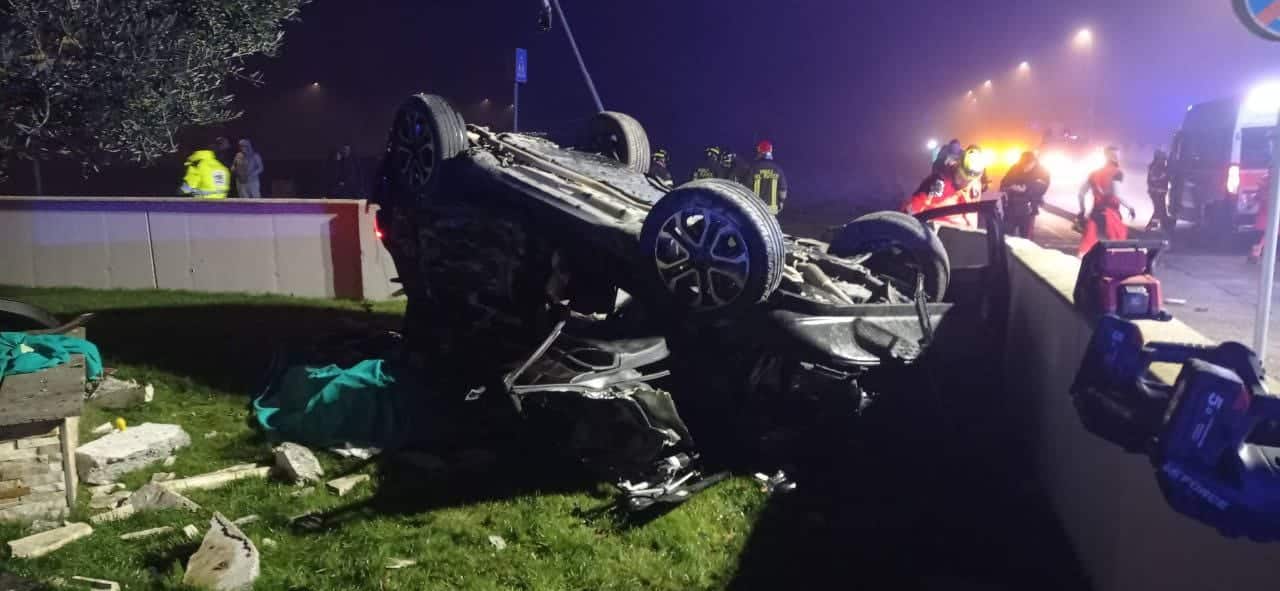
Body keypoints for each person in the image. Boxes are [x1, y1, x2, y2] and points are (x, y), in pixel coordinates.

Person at [1076, 146, 1138, 257]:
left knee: (1086, 249)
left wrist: (1082, 210)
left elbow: (1081, 194)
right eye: (1117, 155)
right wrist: (1130, 207)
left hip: (1095, 214)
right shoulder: (1117, 173)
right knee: (1118, 249)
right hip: (1111, 216)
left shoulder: (1094, 174)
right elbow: (1116, 194)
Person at [906, 144, 984, 227]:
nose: (963, 183)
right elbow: (911, 210)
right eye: (961, 177)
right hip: (933, 230)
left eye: (968, 181)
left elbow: (972, 218)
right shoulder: (938, 183)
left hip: (962, 232)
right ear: (957, 166)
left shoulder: (974, 188)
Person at [1000, 151, 1051, 239]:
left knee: (1025, 236)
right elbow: (1004, 182)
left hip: (1028, 208)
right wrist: (1011, 187)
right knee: (1006, 234)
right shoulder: (1015, 168)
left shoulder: (1042, 172)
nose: (1025, 167)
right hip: (1011, 206)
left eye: (1028, 165)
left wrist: (1026, 190)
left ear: (1034, 162)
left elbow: (1041, 188)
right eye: (1023, 164)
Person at [748, 140, 789, 214]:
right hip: (772, 210)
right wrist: (781, 202)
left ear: (759, 152)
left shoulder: (753, 168)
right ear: (770, 151)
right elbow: (783, 191)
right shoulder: (777, 169)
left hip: (756, 208)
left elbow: (747, 188)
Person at [1145, 150, 1173, 232]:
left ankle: (1165, 225)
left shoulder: (1162, 167)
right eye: (1163, 158)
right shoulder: (1155, 167)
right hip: (1156, 193)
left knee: (1162, 210)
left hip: (1160, 193)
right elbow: (1154, 178)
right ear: (1158, 158)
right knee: (1158, 210)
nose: (1164, 160)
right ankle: (1151, 226)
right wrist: (1165, 175)